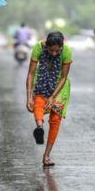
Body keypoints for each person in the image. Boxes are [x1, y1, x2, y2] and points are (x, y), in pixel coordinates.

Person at [26, 31, 73, 167]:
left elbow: (64, 77)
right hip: (41, 81)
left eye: (56, 51)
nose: (53, 53)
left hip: (60, 86)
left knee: (55, 119)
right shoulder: (38, 48)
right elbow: (31, 73)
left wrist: (53, 96)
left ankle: (46, 155)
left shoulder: (67, 51)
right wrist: (29, 97)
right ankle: (39, 128)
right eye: (51, 50)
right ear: (46, 45)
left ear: (62, 46)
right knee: (38, 103)